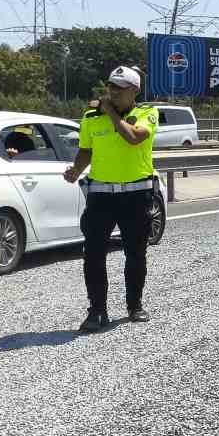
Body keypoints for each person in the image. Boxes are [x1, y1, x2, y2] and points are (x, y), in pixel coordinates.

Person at [63, 65, 158, 333]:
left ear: (135, 90)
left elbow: (132, 139)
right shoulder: (91, 117)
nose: (113, 92)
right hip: (101, 195)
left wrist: (111, 113)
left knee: (135, 254)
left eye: (120, 88)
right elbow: (86, 150)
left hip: (136, 195)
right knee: (93, 254)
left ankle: (134, 305)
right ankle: (96, 311)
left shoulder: (146, 113)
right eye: (111, 87)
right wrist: (75, 170)